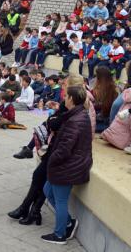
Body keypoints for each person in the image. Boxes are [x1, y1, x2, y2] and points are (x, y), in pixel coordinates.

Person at [41, 85, 93, 245]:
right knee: (47, 190)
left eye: (66, 96)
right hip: (69, 164)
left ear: (71, 99)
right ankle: (69, 222)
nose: (64, 98)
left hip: (68, 166)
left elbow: (64, 149)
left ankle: (60, 235)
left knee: (60, 200)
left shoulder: (75, 120)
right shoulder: (76, 115)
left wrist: (51, 159)